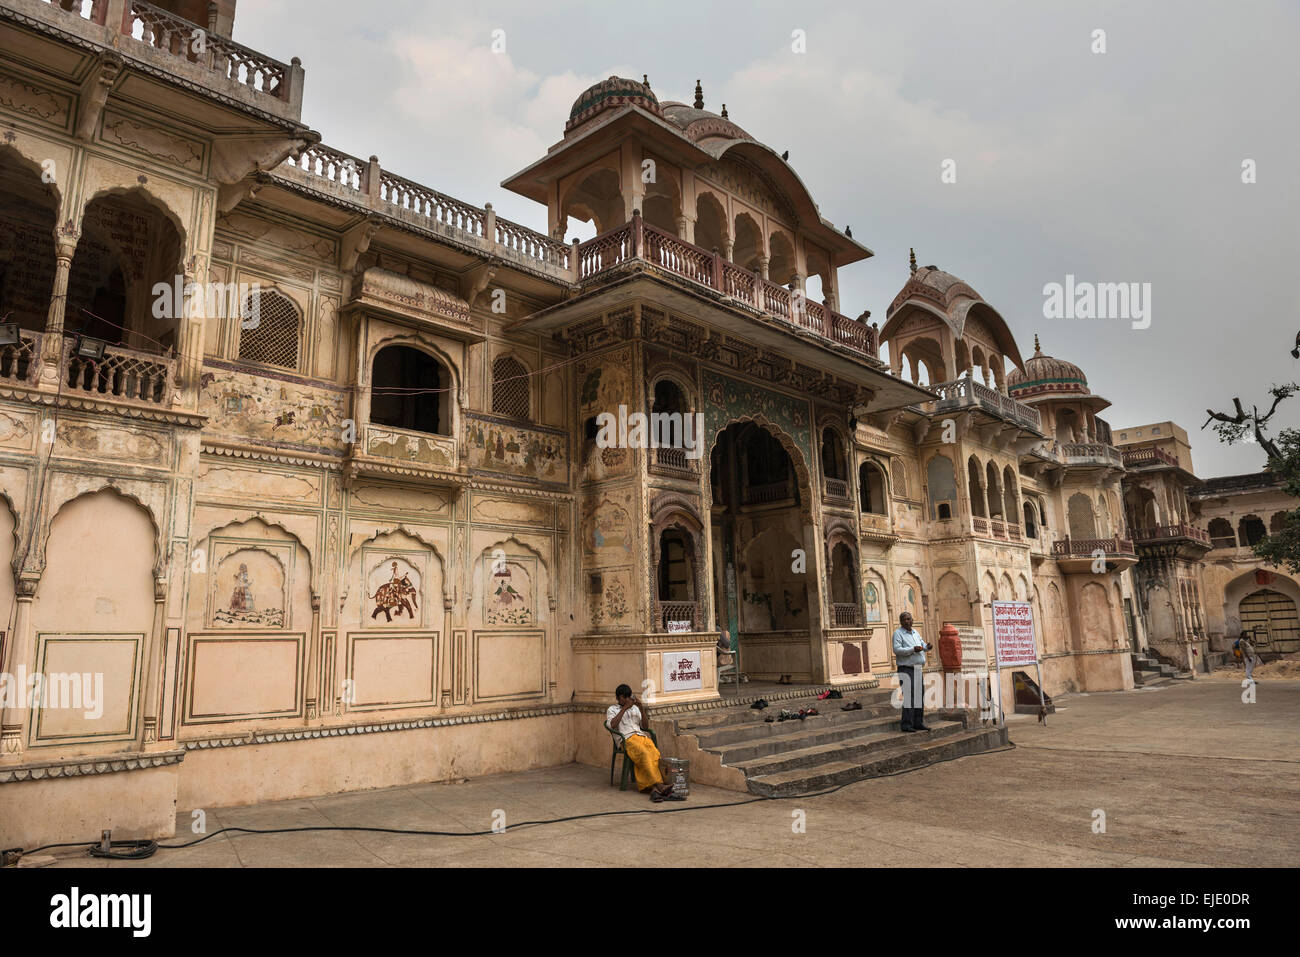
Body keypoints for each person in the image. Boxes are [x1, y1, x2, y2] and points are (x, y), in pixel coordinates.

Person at [605, 684, 677, 801]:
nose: (628, 699)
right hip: (627, 739)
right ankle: (659, 785)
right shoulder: (612, 709)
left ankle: (653, 789)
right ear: (619, 697)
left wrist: (641, 708)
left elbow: (645, 726)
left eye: (629, 697)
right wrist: (624, 709)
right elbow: (612, 725)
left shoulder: (635, 709)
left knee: (654, 753)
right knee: (643, 754)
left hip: (641, 736)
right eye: (625, 697)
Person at [892, 612, 932, 732]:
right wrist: (912, 649)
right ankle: (906, 724)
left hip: (918, 669)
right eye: (905, 620)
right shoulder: (898, 634)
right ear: (901, 622)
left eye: (909, 619)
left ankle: (918, 722)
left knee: (920, 695)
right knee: (909, 696)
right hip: (906, 669)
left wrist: (926, 647)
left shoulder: (915, 632)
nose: (907, 621)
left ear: (912, 620)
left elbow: (921, 644)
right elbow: (897, 650)